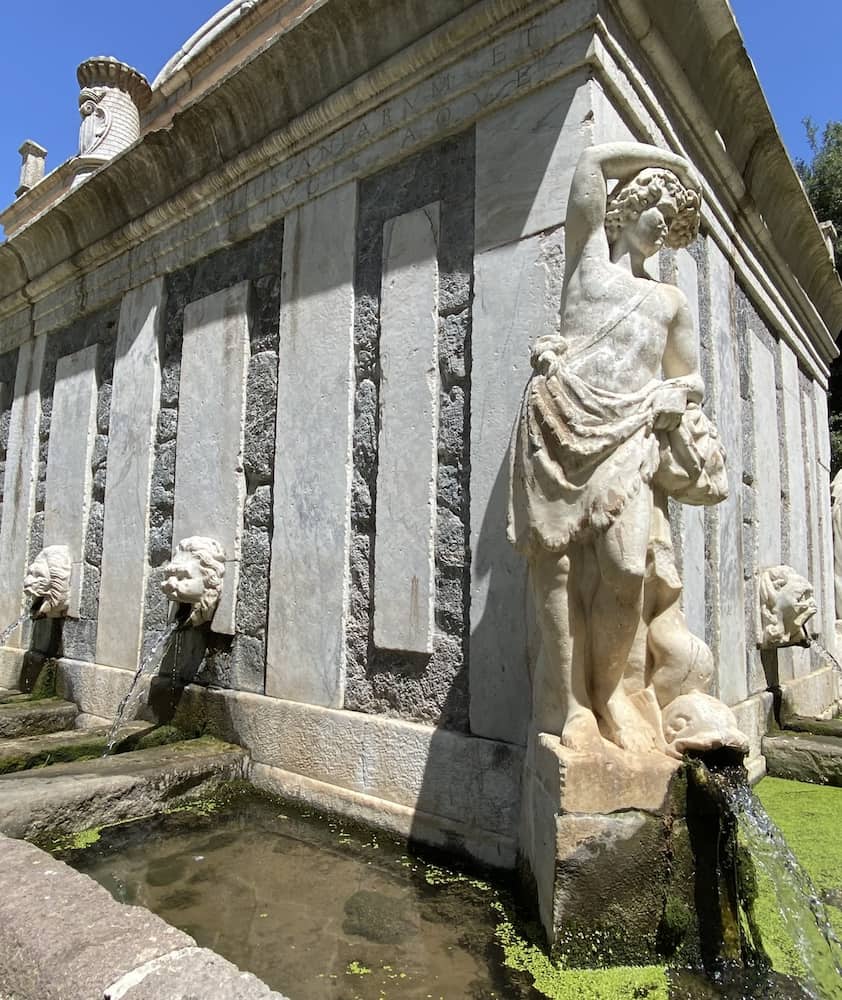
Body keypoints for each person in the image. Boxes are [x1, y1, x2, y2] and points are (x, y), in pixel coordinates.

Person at [509, 142, 726, 753]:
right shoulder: (587, 265)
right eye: (658, 212)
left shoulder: (670, 302)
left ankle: (611, 693)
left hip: (630, 433)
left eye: (673, 221)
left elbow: (691, 378)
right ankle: (573, 706)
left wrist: (674, 395)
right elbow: (592, 164)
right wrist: (673, 163)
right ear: (628, 208)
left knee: (627, 570)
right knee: (556, 571)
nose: (664, 228)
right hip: (558, 420)